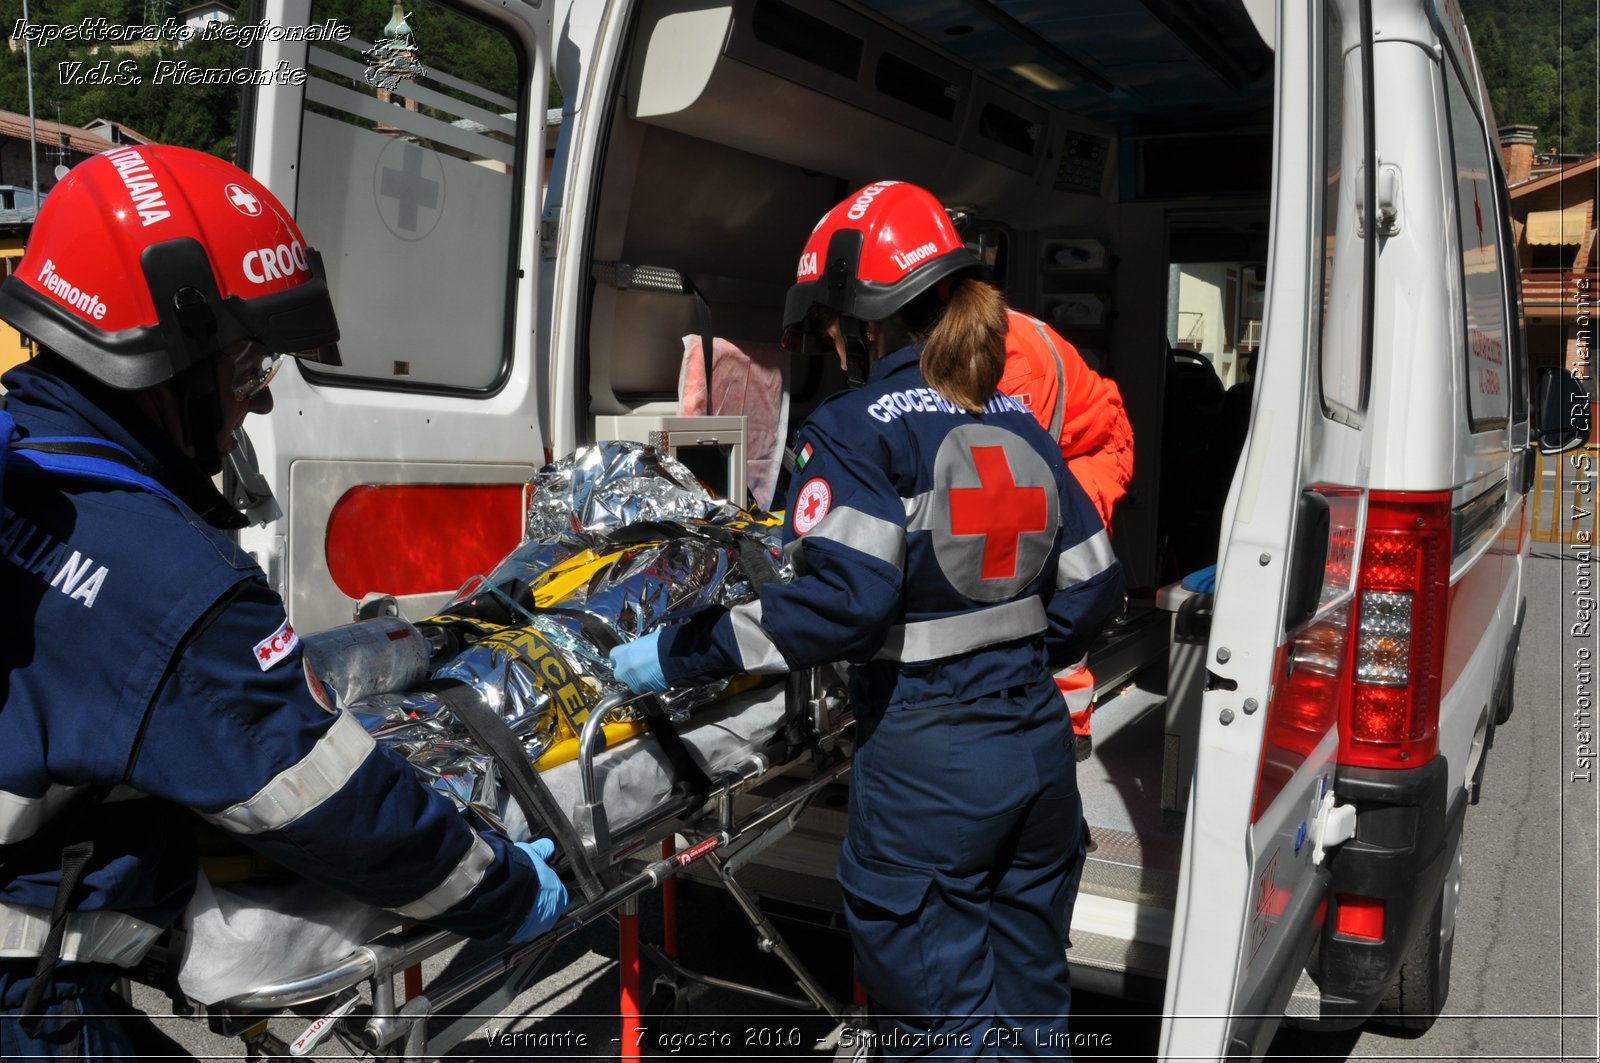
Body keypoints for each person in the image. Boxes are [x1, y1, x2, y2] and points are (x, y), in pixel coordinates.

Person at [0, 145, 566, 1059]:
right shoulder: (167, 585)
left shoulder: (26, 466)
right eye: (250, 361)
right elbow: (343, 807)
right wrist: (504, 890)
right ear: (169, 354)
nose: (257, 403)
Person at [610, 180, 1123, 1058]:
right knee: (1034, 1006)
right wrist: (1013, 661)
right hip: (1036, 754)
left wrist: (678, 650)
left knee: (943, 1031)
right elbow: (1094, 585)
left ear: (863, 321)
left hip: (931, 772)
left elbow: (840, 605)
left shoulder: (854, 429)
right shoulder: (1019, 421)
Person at [996, 302, 1133, 762]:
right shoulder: (985, 339)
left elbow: (1013, 461)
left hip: (1091, 453)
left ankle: (1070, 728)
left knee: (1066, 581)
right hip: (1057, 450)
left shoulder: (1015, 364)